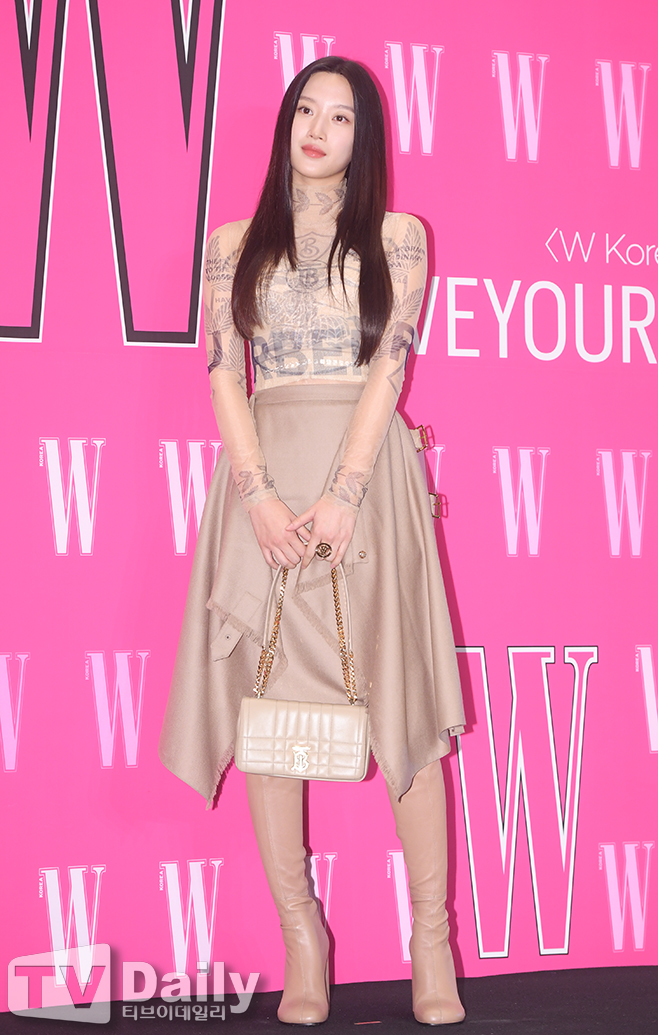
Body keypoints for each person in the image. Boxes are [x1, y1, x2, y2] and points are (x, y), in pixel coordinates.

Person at [159, 56, 466, 1026]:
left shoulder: (399, 237)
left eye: (341, 116)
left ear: (364, 138)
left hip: (365, 481)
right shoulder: (232, 243)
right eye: (307, 109)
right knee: (270, 709)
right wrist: (256, 495)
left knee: (401, 702)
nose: (319, 128)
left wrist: (344, 490)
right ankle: (303, 937)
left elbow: (389, 368)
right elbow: (222, 371)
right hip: (264, 479)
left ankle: (430, 939)